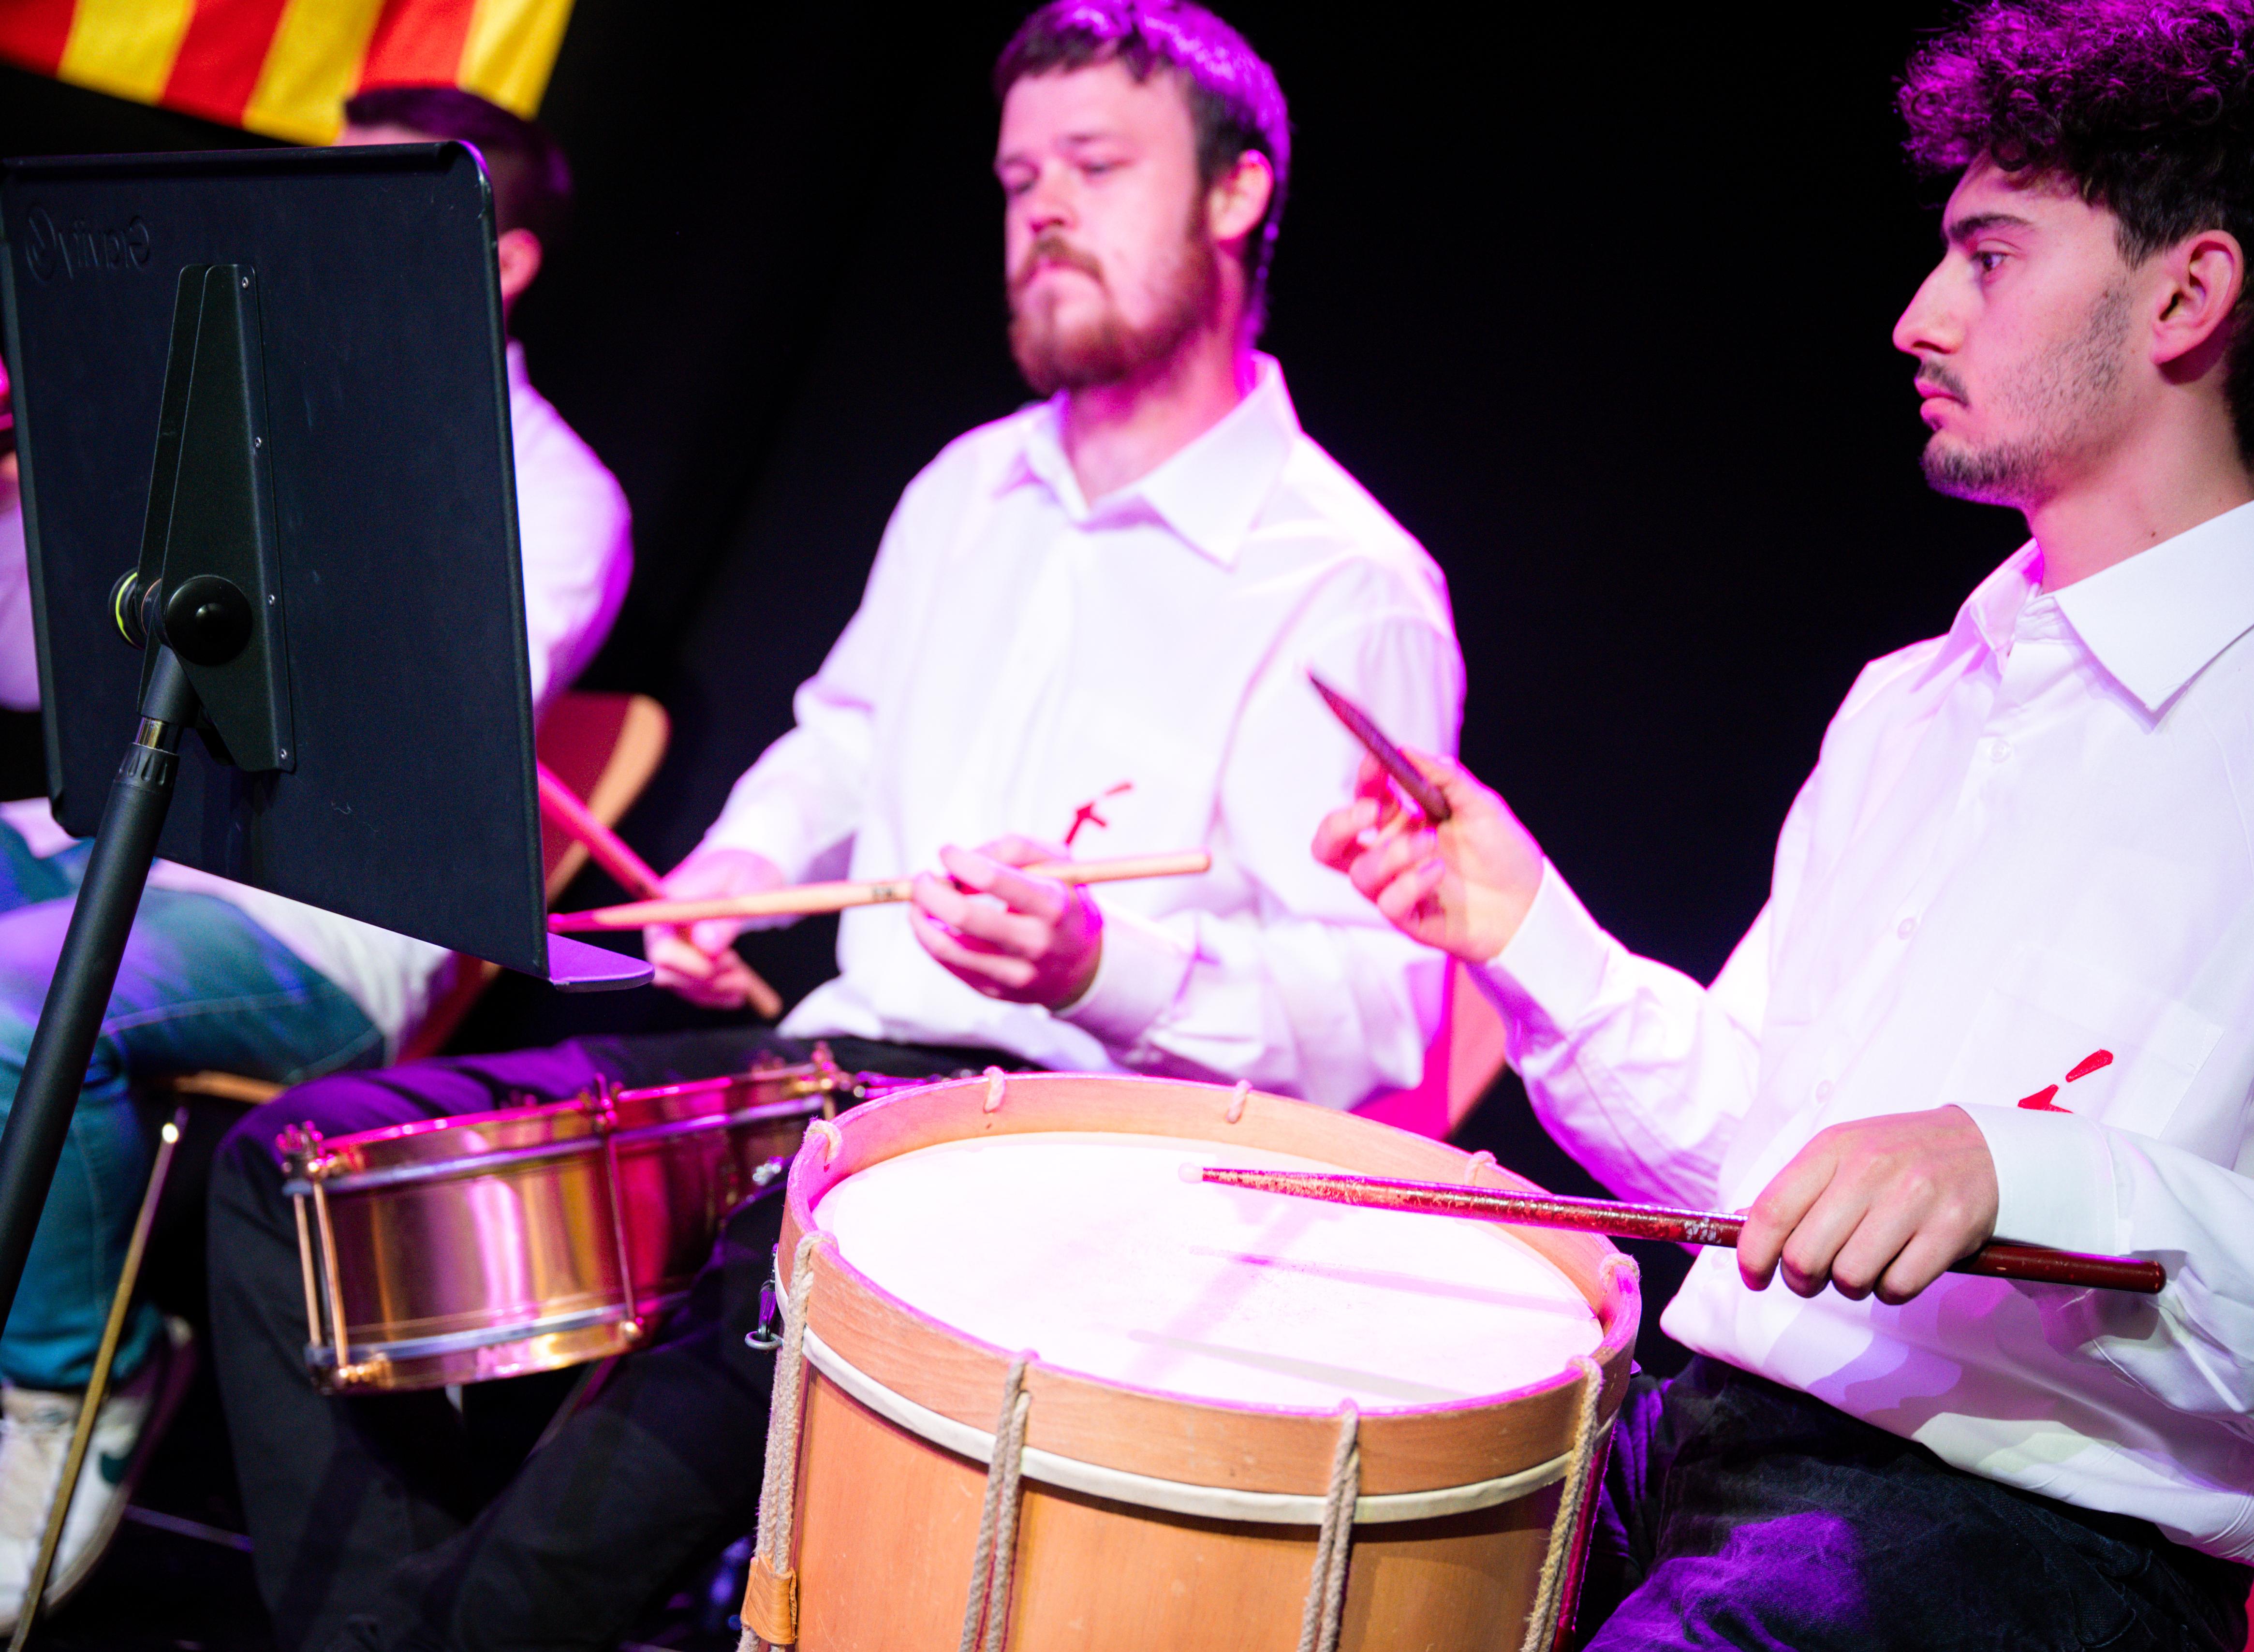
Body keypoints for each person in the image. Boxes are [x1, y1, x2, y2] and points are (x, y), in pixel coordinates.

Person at [207, 5, 1464, 1648]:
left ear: (1237, 196)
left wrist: (1104, 963)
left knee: (739, 1317)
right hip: (828, 1075)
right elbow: (843, 741)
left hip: (1062, 1157)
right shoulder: (968, 487)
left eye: (1096, 167)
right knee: (293, 1183)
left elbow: (1372, 1030)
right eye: (1020, 178)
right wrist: (735, 874)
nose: (1045, 214)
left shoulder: (1345, 582)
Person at [1318, 1, 2254, 1646]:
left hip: (2016, 1549)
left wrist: (2024, 1172)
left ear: (2188, 295)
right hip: (1692, 1435)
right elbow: (1774, 1176)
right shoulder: (1913, 698)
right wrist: (1523, 928)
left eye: (1988, 257)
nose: (1917, 317)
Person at [0, 90, 632, 1629]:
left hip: (318, 917)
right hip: (104, 841)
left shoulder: (553, 493)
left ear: (506, 260)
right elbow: (38, 680)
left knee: (16, 1002)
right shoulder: (231, 405)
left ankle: (67, 1379)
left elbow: (398, 738)